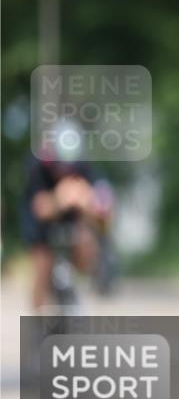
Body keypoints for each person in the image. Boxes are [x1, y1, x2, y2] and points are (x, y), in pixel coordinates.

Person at [20, 119, 113, 311]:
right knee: (42, 267)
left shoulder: (84, 167)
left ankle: (86, 282)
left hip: (72, 219)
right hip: (39, 224)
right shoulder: (38, 165)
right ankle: (38, 321)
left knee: (87, 241)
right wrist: (60, 197)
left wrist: (89, 202)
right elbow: (39, 208)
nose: (64, 172)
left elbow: (105, 208)